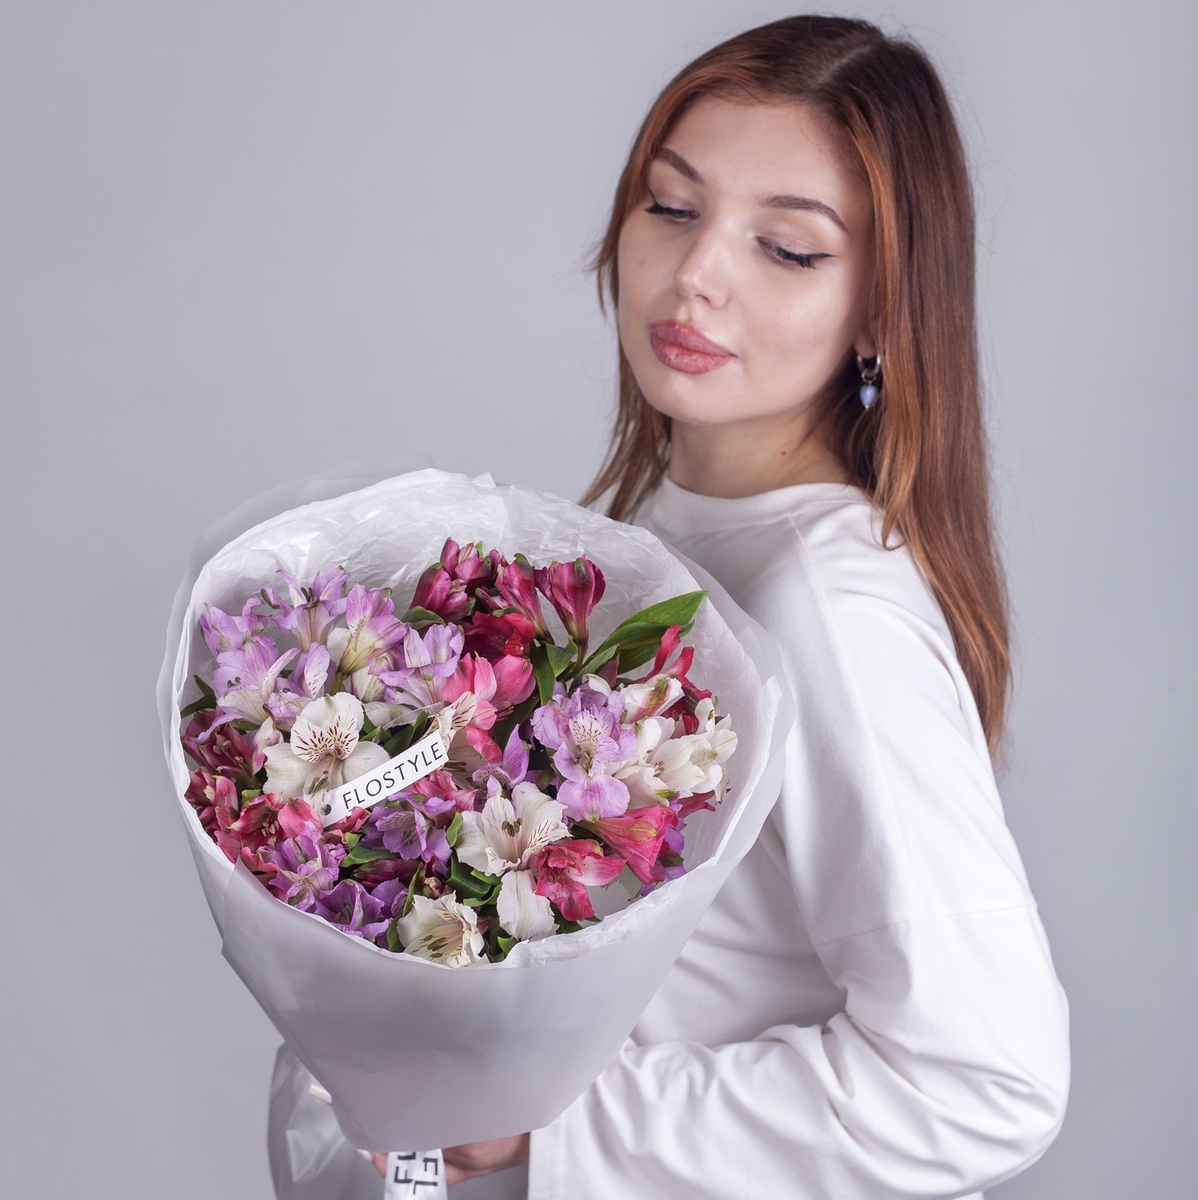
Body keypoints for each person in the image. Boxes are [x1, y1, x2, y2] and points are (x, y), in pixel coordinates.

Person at [382, 14, 1071, 1197]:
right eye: (671, 205)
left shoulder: (830, 609)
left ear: (881, 310)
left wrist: (550, 1133)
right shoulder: (649, 542)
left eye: (787, 249)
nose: (697, 273)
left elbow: (983, 1079)